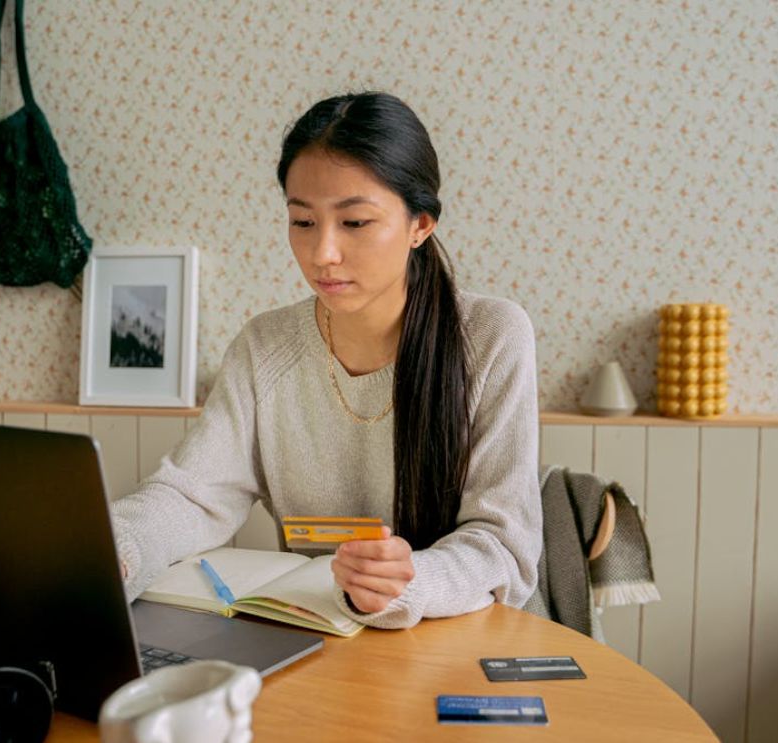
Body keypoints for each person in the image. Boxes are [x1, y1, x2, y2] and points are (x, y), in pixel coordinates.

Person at [110, 91, 541, 629]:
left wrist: (409, 583)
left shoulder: (492, 336)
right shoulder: (264, 346)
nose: (322, 254)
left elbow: (503, 544)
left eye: (354, 222)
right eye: (303, 222)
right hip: (324, 642)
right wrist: (114, 549)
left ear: (420, 225)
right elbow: (194, 497)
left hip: (464, 641)